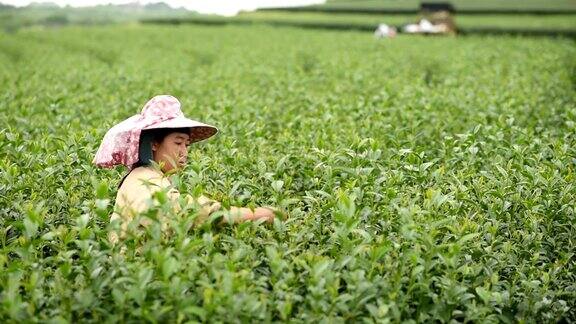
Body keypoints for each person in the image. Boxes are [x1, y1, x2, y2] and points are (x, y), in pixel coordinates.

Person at [94, 95, 277, 243]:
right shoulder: (143, 179)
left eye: (186, 144)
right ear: (155, 144)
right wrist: (256, 214)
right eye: (178, 142)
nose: (184, 152)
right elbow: (183, 211)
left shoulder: (153, 175)